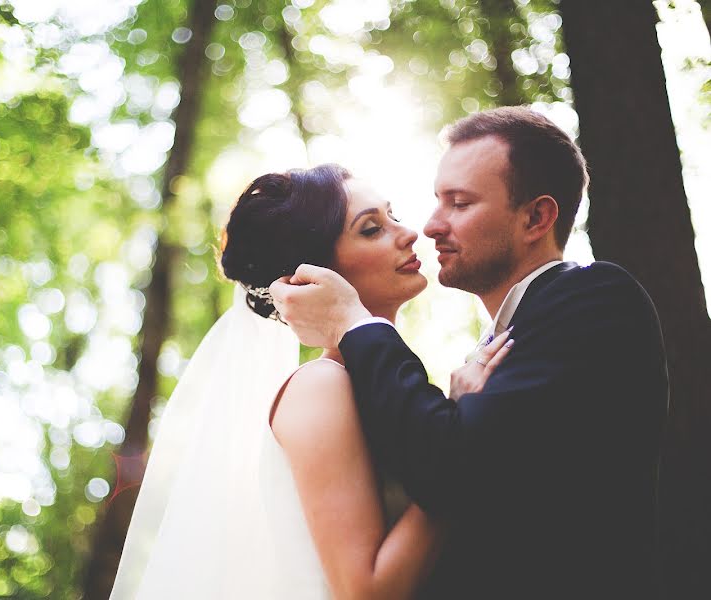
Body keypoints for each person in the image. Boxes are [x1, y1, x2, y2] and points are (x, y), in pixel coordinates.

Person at [270, 107, 669, 599]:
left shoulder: (595, 299)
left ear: (536, 217)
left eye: (458, 203)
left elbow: (452, 472)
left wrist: (354, 322)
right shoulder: (334, 385)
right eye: (438, 201)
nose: (429, 226)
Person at [110, 164, 512, 599]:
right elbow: (366, 590)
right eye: (372, 228)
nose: (408, 233)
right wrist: (465, 433)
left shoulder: (376, 388)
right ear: (313, 275)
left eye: (392, 215)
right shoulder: (320, 386)